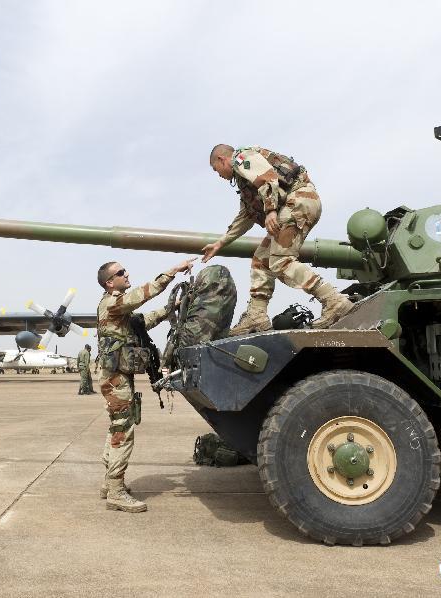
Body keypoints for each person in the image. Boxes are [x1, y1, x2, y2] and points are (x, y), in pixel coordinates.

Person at [202, 144, 354, 334]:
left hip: (298, 200)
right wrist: (220, 243)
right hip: (296, 203)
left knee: (281, 261)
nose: (219, 175)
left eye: (216, 170)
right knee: (262, 259)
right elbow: (245, 217)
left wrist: (271, 210)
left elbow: (269, 178)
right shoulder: (245, 182)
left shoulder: (241, 158)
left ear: (222, 160)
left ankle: (333, 301)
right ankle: (257, 316)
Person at [96, 257, 195, 512]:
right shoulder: (112, 303)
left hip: (116, 375)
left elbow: (145, 320)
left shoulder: (120, 311)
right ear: (110, 282)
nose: (126, 274)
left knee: (117, 426)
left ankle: (110, 484)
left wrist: (171, 307)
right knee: (123, 431)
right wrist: (172, 272)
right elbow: (143, 294)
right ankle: (116, 492)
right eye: (121, 272)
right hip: (115, 377)